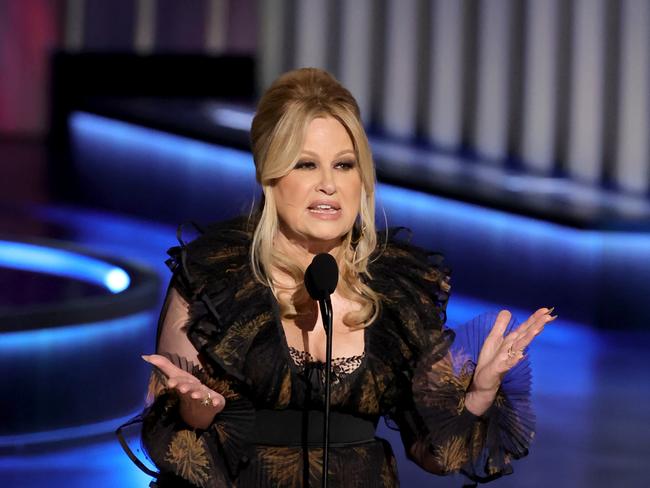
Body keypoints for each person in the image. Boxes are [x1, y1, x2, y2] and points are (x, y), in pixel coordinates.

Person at [136, 67, 554, 487]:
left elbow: (433, 453)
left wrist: (479, 395)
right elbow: (170, 444)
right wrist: (195, 415)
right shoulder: (216, 280)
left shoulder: (395, 292)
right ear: (270, 175)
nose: (328, 185)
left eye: (343, 165)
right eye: (305, 164)